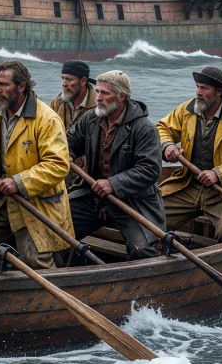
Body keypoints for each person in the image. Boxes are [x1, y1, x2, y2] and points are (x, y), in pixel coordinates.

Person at [0, 59, 72, 269]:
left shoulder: (47, 120)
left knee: (35, 260)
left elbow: (58, 165)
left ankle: (50, 294)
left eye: (4, 85)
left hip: (36, 203)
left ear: (22, 86)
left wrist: (19, 182)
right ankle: (0, 275)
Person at [66, 71, 166, 260]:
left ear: (122, 97)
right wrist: (68, 154)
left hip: (133, 202)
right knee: (54, 230)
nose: (99, 98)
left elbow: (150, 169)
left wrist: (113, 183)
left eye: (105, 93)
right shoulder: (91, 118)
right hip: (94, 197)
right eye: (97, 92)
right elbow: (69, 140)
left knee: (142, 251)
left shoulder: (144, 128)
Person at [157, 67, 222, 242]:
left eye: (204, 88)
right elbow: (162, 128)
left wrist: (218, 174)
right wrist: (167, 146)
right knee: (150, 215)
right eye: (197, 87)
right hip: (188, 185)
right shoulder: (186, 110)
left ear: (219, 92)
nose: (198, 93)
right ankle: (160, 253)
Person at [50, 60, 97, 130]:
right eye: (63, 78)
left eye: (69, 80)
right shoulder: (57, 102)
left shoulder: (98, 105)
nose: (63, 84)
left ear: (83, 81)